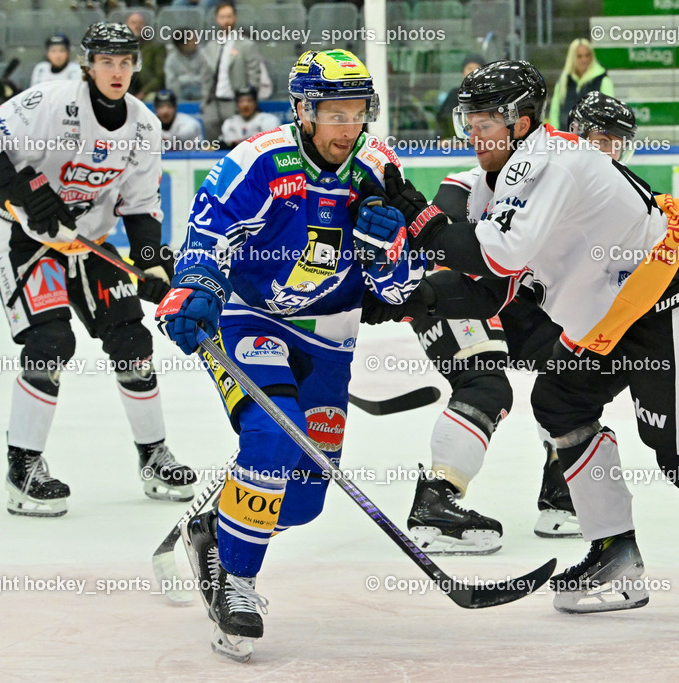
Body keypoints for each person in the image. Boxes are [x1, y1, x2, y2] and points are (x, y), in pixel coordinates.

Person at [354, 60, 679, 613]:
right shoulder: (495, 183)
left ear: (521, 122)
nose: (474, 135)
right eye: (468, 120)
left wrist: (419, 223)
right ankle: (615, 559)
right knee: (561, 400)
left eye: (487, 121)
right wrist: (403, 300)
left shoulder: (552, 163)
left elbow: (500, 253)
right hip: (618, 315)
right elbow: (489, 292)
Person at [155, 49, 424, 660]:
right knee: (277, 439)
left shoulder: (380, 169)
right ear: (304, 110)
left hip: (332, 335)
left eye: (358, 112)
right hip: (251, 318)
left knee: (303, 499)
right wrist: (196, 289)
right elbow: (207, 233)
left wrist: (389, 253)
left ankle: (216, 532)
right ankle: (236, 582)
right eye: (334, 111)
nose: (346, 126)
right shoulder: (259, 161)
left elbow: (399, 290)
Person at [361, 91, 641, 551]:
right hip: (451, 295)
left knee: (570, 379)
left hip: (508, 304)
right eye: (596, 140)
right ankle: (436, 504)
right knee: (486, 387)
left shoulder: (590, 198)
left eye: (616, 143)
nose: (605, 152)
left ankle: (560, 490)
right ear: (571, 136)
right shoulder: (485, 178)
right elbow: (446, 243)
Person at [0, 22, 196, 517]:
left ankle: (153, 456)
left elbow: (141, 206)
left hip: (94, 243)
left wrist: (150, 264)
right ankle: (23, 467)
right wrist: (28, 194)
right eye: (107, 62)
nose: (118, 71)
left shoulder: (145, 127)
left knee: (133, 339)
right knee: (50, 344)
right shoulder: (48, 102)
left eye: (127, 62)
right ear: (88, 65)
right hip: (29, 241)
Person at [201, 1, 264, 143]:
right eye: (222, 17)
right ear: (217, 19)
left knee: (235, 143)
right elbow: (205, 76)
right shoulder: (210, 46)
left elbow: (254, 74)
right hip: (213, 102)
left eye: (229, 16)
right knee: (212, 143)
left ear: (235, 18)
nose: (226, 21)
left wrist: (249, 99)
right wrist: (205, 101)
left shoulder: (246, 45)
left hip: (235, 102)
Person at [547, 39, 613, 131]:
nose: (584, 60)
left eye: (587, 55)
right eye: (579, 56)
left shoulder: (602, 79)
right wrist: (555, 133)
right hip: (565, 136)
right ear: (572, 58)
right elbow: (555, 111)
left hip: (592, 138)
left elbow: (608, 111)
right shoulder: (564, 80)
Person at [436, 53, 485, 138]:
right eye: (469, 68)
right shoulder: (454, 94)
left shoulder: (489, 95)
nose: (472, 72)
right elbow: (444, 119)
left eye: (477, 69)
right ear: (463, 72)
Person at [125, 11, 165, 100]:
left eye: (140, 23)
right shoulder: (120, 48)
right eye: (133, 23)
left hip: (148, 91)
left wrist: (143, 93)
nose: (137, 26)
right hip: (125, 91)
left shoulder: (156, 47)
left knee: (152, 98)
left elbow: (159, 77)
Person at [164, 34, 212, 102]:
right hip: (179, 98)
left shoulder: (204, 55)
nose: (196, 42)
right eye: (192, 40)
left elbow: (206, 79)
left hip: (202, 96)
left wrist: (183, 79)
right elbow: (170, 83)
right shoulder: (171, 59)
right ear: (182, 44)